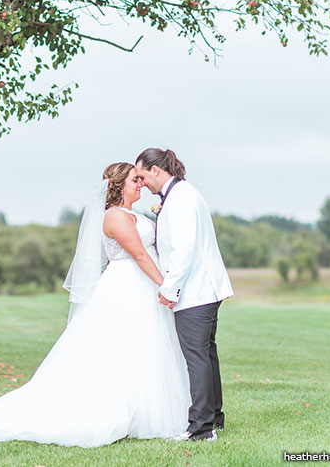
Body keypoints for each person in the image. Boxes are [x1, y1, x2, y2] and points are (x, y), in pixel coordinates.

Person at [0, 162, 190, 447]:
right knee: (118, 349)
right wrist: (167, 286)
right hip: (127, 285)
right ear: (118, 186)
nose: (140, 184)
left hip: (141, 287)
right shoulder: (115, 217)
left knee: (142, 348)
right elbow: (139, 256)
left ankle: (143, 413)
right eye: (133, 180)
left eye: (140, 180)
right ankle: (115, 412)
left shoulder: (131, 213)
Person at [135, 148, 234, 442]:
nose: (142, 184)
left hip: (195, 290)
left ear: (156, 170)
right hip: (203, 288)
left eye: (142, 176)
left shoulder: (180, 197)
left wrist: (169, 289)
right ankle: (213, 417)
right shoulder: (182, 194)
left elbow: (184, 249)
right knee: (205, 354)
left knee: (196, 357)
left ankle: (201, 429)